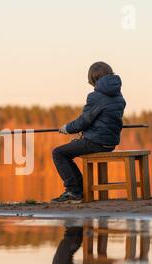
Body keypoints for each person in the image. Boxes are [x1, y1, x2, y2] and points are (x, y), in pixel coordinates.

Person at [52, 62, 126, 203]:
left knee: (58, 153)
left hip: (96, 142)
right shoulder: (118, 95)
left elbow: (83, 122)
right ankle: (77, 190)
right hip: (110, 143)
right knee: (68, 150)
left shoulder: (95, 96)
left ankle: (74, 191)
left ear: (93, 79)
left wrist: (66, 128)